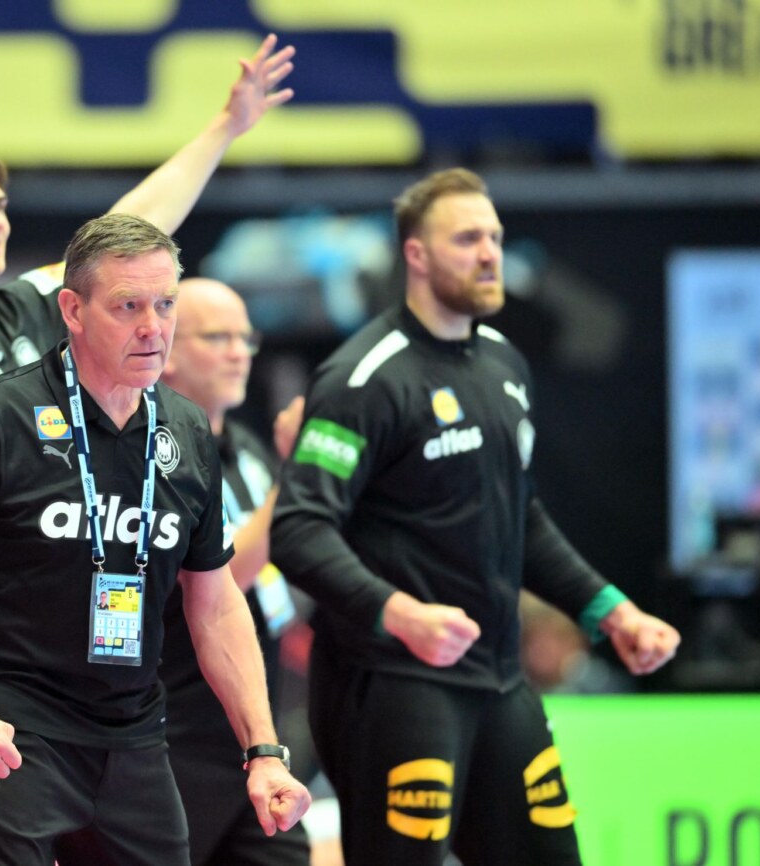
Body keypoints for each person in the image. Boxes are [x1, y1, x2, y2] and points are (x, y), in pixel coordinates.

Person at [0, 36, 295, 865]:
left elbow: (137, 234)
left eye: (1, 204)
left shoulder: (29, 311)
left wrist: (225, 126)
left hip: (93, 671)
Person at [270, 167, 681, 865]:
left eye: (494, 237)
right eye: (467, 239)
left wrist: (611, 611)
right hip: (397, 683)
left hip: (499, 679)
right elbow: (299, 530)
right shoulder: (364, 377)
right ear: (416, 254)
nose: (489, 254)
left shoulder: (503, 364)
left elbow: (520, 518)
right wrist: (402, 614)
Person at [0, 214, 310, 865]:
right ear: (73, 311)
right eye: (128, 306)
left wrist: (264, 751)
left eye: (165, 304)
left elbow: (217, 601)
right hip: (13, 731)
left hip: (134, 737)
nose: (153, 327)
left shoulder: (188, 431)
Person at [158, 277, 310, 866]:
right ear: (167, 349)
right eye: (217, 337)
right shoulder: (153, 451)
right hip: (177, 733)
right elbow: (221, 579)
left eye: (246, 337)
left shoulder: (246, 447)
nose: (239, 352)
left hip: (251, 735)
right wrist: (298, 474)